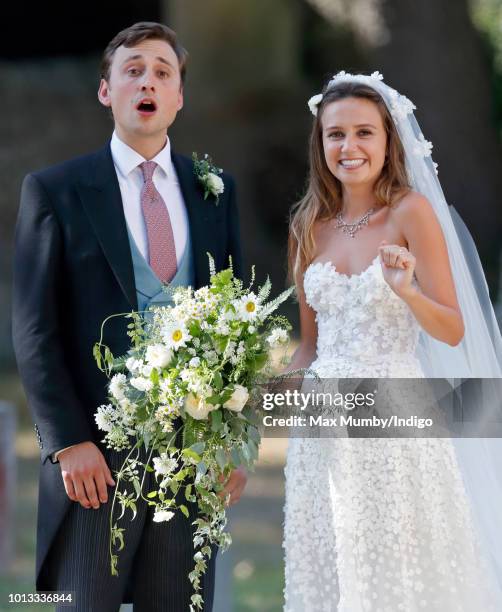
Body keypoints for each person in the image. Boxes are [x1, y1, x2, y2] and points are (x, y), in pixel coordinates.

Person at [12, 21, 247, 611]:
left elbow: (239, 326)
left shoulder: (214, 191)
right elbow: (35, 331)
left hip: (192, 459)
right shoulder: (55, 191)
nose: (148, 81)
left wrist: (233, 447)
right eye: (133, 69)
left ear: (179, 97)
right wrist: (69, 444)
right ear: (106, 90)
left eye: (163, 72)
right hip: (94, 464)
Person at [283, 71, 502, 611]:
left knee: (397, 573)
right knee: (329, 572)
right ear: (321, 144)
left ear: (387, 141)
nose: (349, 146)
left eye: (364, 133)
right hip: (323, 426)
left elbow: (452, 328)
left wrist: (407, 292)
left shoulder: (410, 212)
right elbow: (309, 347)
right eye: (335, 134)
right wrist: (256, 409)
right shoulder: (307, 225)